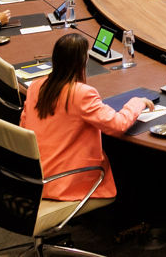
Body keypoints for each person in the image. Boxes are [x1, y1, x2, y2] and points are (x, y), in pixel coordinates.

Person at [21, 32, 152, 201]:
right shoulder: (82, 94)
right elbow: (118, 125)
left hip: (32, 172)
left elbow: (23, 123)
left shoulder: (36, 85)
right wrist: (137, 102)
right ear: (82, 61)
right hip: (61, 180)